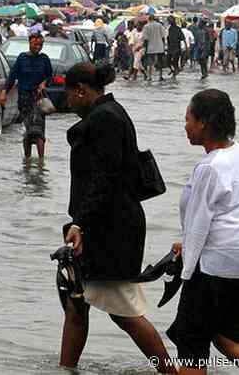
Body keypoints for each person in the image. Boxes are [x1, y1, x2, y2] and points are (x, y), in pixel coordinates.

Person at [60, 62, 178, 375]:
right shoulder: (106, 113)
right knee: (76, 303)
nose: (67, 101)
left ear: (82, 90)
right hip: (100, 223)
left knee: (123, 312)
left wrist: (80, 224)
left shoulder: (105, 119)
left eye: (69, 94)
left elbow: (104, 178)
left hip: (109, 229)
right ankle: (64, 369)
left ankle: (171, 372)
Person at [167, 89, 239, 375]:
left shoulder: (210, 168)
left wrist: (186, 272)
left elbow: (198, 225)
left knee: (191, 341)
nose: (185, 126)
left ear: (203, 123)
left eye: (188, 119)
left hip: (215, 266)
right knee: (227, 337)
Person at [4, 34, 52, 162]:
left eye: (40, 45)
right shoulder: (22, 58)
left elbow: (50, 76)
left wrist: (44, 83)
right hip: (24, 100)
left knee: (38, 131)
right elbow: (12, 77)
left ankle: (41, 162)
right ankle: (27, 160)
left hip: (38, 100)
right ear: (29, 43)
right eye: (35, 44)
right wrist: (4, 92)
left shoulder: (44, 59)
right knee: (29, 132)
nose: (38, 47)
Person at [142, 15, 166, 81]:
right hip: (159, 46)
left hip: (150, 47)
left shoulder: (146, 26)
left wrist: (145, 48)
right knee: (160, 62)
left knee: (150, 62)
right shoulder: (159, 25)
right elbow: (163, 36)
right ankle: (160, 76)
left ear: (149, 19)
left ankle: (150, 77)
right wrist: (163, 46)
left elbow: (145, 39)